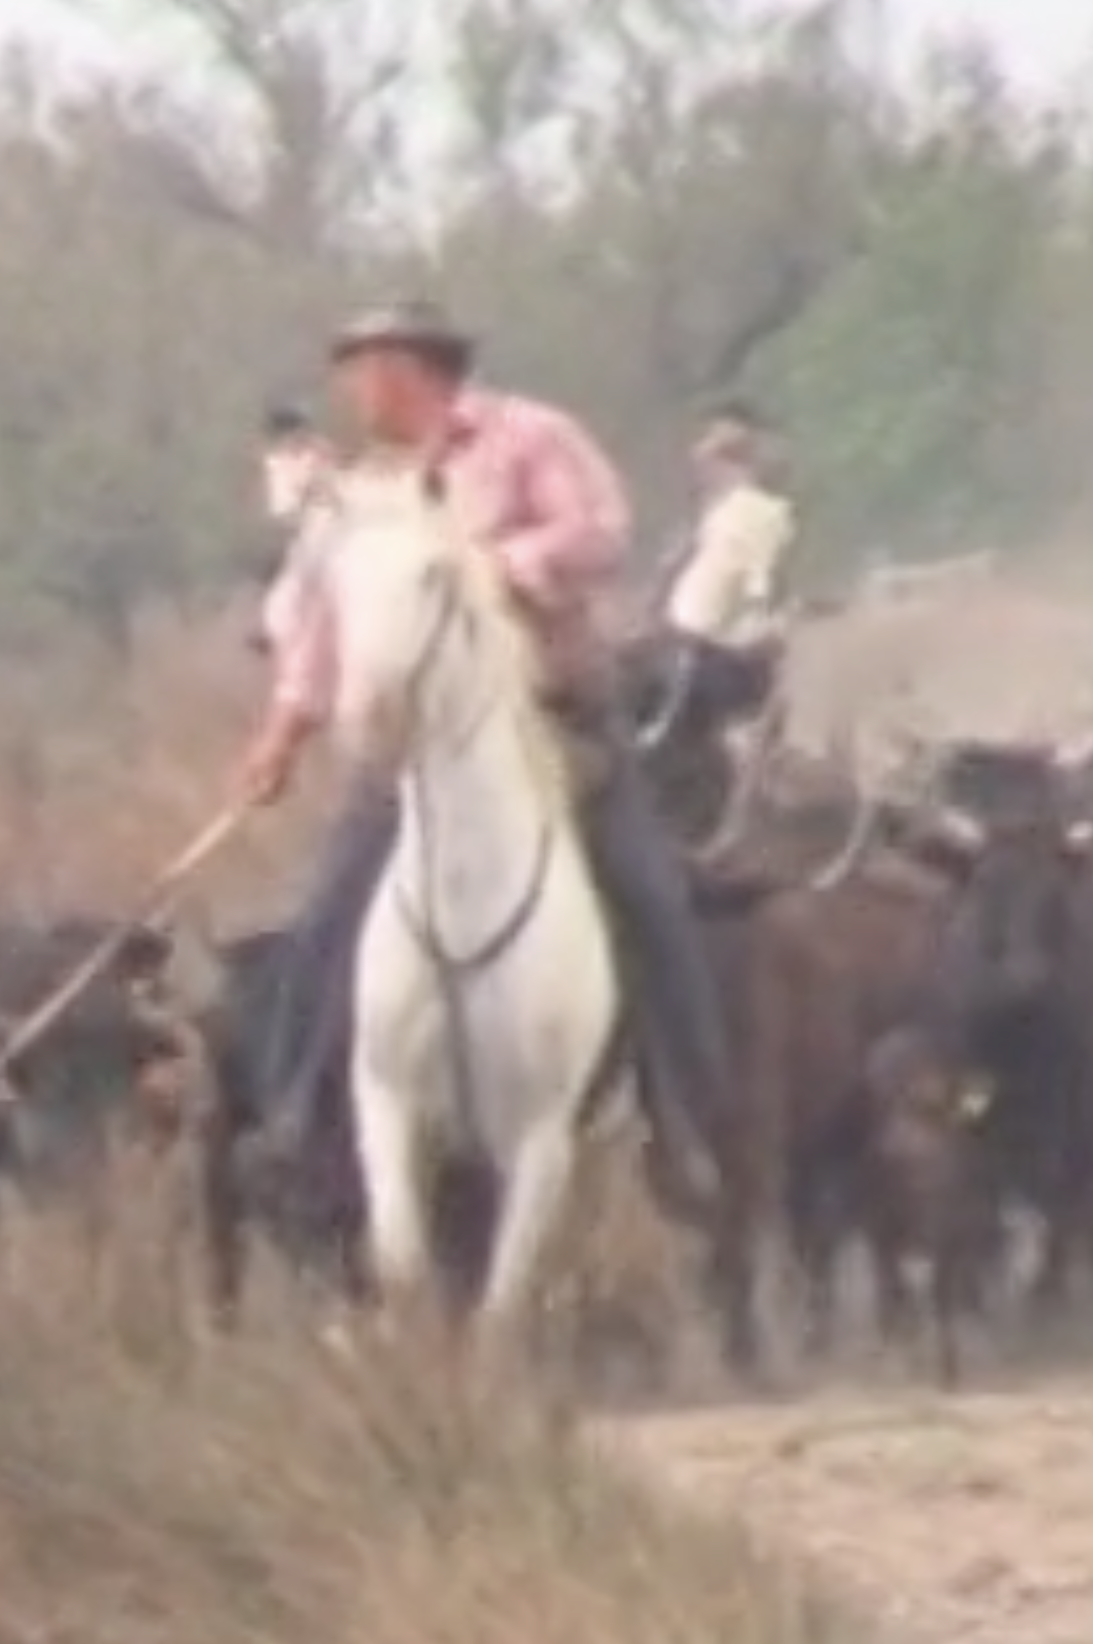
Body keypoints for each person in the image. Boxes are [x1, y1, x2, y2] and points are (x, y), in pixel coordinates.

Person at [227, 300, 733, 1220]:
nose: (353, 387)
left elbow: (600, 532)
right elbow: (318, 623)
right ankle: (296, 1117)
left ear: (416, 370)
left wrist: (487, 566)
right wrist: (283, 736)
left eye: (367, 366)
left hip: (554, 717)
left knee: (653, 898)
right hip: (413, 747)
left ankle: (687, 1126)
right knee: (327, 913)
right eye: (349, 369)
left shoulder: (528, 435)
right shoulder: (355, 493)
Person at [661, 401, 799, 652]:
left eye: (721, 453)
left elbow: (763, 588)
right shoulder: (704, 521)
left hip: (718, 648)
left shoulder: (758, 515)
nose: (701, 457)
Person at [243, 404, 334, 656]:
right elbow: (283, 506)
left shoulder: (318, 456)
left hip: (326, 522)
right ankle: (266, 625)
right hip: (296, 528)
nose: (290, 441)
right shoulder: (277, 463)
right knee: (272, 571)